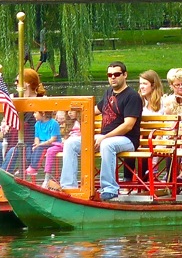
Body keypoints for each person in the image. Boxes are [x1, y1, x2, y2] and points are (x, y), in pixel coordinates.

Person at [58, 61, 142, 201]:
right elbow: (93, 111)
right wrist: (69, 113)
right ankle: (69, 187)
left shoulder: (132, 96)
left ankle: (109, 189)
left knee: (107, 144)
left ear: (125, 75)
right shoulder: (108, 92)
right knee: (71, 143)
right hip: (104, 137)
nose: (113, 77)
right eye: (110, 75)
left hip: (127, 139)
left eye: (116, 74)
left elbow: (128, 125)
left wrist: (104, 137)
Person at [25, 110, 61, 181]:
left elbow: (53, 139)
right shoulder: (37, 124)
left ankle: (34, 168)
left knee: (40, 147)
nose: (33, 114)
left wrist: (39, 145)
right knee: (29, 148)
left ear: (43, 113)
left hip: (53, 144)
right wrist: (36, 144)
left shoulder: (54, 123)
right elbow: (37, 137)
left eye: (35, 112)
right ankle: (28, 166)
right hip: (42, 143)